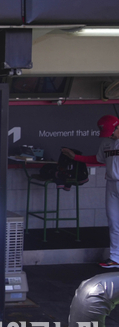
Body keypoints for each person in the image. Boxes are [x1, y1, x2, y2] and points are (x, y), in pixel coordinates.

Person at [62, 114, 119, 268]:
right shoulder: (106, 142)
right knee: (114, 221)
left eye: (111, 132)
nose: (109, 136)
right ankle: (115, 258)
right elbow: (98, 159)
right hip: (111, 183)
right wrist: (75, 157)